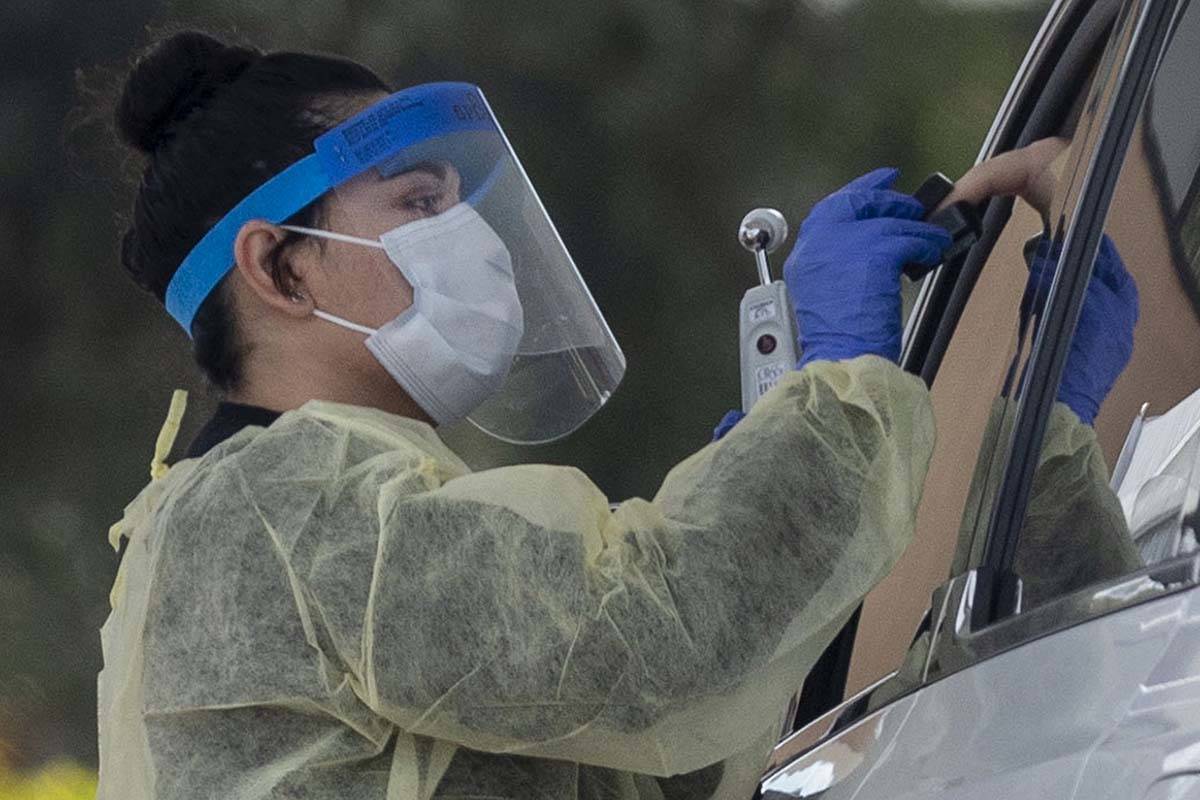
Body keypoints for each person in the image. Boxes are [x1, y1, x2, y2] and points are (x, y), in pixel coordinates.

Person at [98, 30, 1111, 800]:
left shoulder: (303, 512)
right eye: (417, 201)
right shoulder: (287, 513)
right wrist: (832, 395)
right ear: (278, 264)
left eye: (461, 200)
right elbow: (665, 650)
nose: (470, 239)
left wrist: (1037, 446)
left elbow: (682, 756)